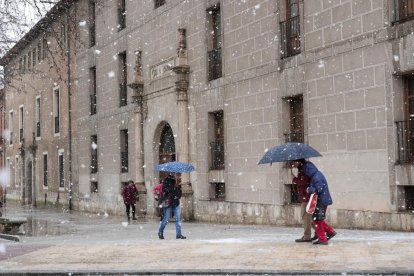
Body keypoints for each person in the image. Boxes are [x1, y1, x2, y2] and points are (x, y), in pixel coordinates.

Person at [293, 159, 336, 245]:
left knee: (317, 220)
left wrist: (309, 189)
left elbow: (318, 189)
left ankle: (323, 239)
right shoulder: (316, 175)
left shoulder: (316, 177)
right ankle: (330, 232)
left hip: (320, 200)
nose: (306, 173)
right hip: (321, 200)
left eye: (306, 171)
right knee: (317, 219)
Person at [157, 174, 186, 239]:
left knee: (178, 219)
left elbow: (179, 194)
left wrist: (177, 187)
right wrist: (174, 188)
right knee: (166, 219)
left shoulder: (176, 183)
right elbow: (166, 192)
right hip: (168, 203)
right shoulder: (166, 182)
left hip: (175, 203)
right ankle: (160, 232)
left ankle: (178, 234)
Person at [291, 163, 312, 242]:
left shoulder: (304, 170)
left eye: (294, 161)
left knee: (306, 217)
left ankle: (307, 236)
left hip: (306, 197)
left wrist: (294, 179)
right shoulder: (302, 170)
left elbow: (303, 183)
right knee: (308, 217)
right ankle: (321, 232)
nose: (293, 163)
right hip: (305, 197)